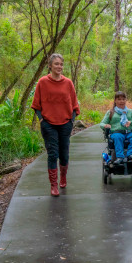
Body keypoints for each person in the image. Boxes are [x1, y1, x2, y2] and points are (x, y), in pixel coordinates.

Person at [30, 53, 80, 196]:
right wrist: (41, 120)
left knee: (64, 154)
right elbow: (36, 105)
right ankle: (53, 185)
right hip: (48, 124)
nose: (59, 66)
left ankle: (63, 177)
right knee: (53, 154)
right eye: (56, 64)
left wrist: (72, 120)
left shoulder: (68, 83)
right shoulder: (42, 82)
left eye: (61, 64)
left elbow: (75, 104)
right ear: (50, 66)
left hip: (65, 123)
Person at [99, 91, 132, 161]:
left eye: (123, 99)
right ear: (115, 100)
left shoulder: (130, 112)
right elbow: (101, 123)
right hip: (116, 132)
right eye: (119, 99)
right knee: (118, 137)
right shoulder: (111, 112)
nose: (121, 101)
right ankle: (120, 157)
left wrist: (131, 122)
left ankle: (130, 155)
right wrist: (105, 125)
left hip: (129, 132)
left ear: (126, 100)